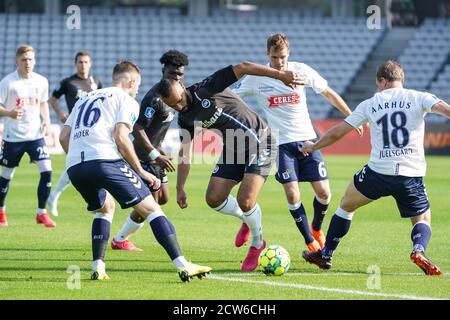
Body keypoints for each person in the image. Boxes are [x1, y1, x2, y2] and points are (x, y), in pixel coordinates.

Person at [59, 60, 211, 281]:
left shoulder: (84, 99)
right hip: (105, 160)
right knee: (152, 208)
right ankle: (183, 264)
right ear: (131, 82)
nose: (138, 90)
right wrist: (141, 171)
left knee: (104, 208)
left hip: (75, 166)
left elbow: (64, 137)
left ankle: (98, 268)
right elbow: (121, 137)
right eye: (137, 85)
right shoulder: (126, 100)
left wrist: (79, 160)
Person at [301, 60, 449, 275]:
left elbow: (338, 132)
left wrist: (313, 146)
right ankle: (418, 250)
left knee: (346, 205)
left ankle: (326, 254)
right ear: (401, 79)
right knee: (422, 218)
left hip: (377, 173)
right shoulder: (419, 97)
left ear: (382, 81)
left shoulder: (370, 103)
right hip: (410, 175)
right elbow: (445, 110)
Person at [158, 61, 302, 271]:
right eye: (173, 105)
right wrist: (180, 187)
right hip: (234, 147)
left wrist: (279, 75)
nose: (179, 106)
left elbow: (243, 67)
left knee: (246, 200)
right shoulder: (186, 117)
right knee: (214, 198)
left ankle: (256, 243)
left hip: (261, 140)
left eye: (178, 100)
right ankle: (248, 218)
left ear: (182, 86)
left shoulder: (206, 88)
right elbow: (185, 152)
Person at [234, 33, 363, 252]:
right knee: (293, 194)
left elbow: (328, 93)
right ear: (268, 55)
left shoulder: (301, 70)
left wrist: (351, 116)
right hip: (281, 145)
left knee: (324, 193)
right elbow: (233, 98)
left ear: (289, 54)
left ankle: (315, 227)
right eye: (275, 57)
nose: (279, 62)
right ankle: (309, 241)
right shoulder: (256, 78)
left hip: (308, 141)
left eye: (283, 56)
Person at [111, 50, 188, 252]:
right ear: (164, 70)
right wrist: (154, 154)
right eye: (173, 73)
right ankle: (120, 239)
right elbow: (137, 128)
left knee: (163, 199)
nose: (177, 78)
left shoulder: (177, 92)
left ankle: (121, 237)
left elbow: (158, 128)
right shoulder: (154, 97)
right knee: (151, 206)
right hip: (143, 157)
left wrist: (159, 149)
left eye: (180, 74)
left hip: (156, 156)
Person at [0, 45, 55, 228]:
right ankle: (1, 212)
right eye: (24, 59)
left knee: (47, 171)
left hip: (35, 135)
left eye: (30, 59)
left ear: (35, 60)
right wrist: (9, 113)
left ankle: (41, 213)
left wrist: (47, 122)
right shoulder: (8, 82)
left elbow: (43, 103)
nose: (27, 63)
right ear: (17, 61)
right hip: (13, 137)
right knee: (7, 175)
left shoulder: (41, 81)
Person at [47, 51, 103, 216]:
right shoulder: (68, 82)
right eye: (80, 62)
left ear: (90, 64)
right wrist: (59, 114)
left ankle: (57, 196)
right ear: (75, 63)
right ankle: (95, 202)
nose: (83, 65)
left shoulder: (96, 82)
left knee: (83, 162)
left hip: (92, 129)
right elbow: (53, 98)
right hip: (75, 128)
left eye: (85, 62)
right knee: (78, 162)